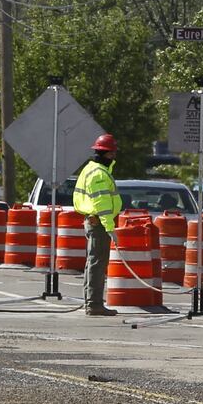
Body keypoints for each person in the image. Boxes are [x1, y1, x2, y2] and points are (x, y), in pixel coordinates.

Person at [73, 134, 123, 316]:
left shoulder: (90, 169)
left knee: (93, 262)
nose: (114, 156)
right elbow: (102, 204)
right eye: (113, 153)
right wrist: (109, 227)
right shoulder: (99, 174)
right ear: (107, 154)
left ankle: (92, 302)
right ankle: (94, 304)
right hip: (99, 223)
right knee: (97, 263)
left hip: (94, 220)